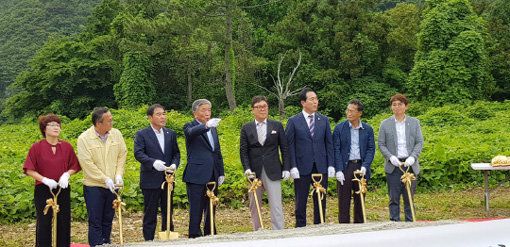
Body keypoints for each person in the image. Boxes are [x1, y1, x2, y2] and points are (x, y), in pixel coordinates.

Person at [24, 114, 81, 247]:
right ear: (44, 128)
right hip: (43, 188)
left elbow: (74, 166)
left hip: (62, 187)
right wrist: (44, 179)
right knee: (44, 221)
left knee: (64, 220)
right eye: (52, 125)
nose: (56, 127)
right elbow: (29, 169)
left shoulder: (67, 147)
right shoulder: (36, 147)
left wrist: (66, 175)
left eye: (58, 125)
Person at [77, 107, 127, 246]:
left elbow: (122, 154)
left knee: (108, 218)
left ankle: (106, 243)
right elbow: (87, 163)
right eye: (109, 120)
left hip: (112, 186)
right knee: (95, 220)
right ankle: (96, 244)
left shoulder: (116, 134)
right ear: (99, 123)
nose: (112, 122)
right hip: (94, 186)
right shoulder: (84, 139)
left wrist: (118, 174)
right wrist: (104, 178)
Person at [240, 96, 290, 230]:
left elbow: (284, 148)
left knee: (276, 203)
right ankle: (258, 230)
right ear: (253, 110)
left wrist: (286, 167)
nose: (262, 109)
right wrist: (247, 168)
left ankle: (279, 231)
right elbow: (243, 151)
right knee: (254, 204)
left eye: (265, 106)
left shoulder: (277, 125)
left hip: (273, 169)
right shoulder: (246, 127)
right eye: (259, 107)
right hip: (254, 172)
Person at [286, 88, 334, 227]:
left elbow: (329, 144)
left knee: (320, 198)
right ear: (303, 102)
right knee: (301, 199)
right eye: (311, 99)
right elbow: (289, 146)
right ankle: (300, 227)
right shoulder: (294, 121)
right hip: (301, 166)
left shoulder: (323, 120)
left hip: (321, 165)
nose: (315, 102)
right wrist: (292, 166)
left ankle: (319, 225)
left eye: (316, 99)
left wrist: (331, 164)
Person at [134, 104, 181, 241]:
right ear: (150, 117)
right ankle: (148, 240)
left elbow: (176, 153)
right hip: (150, 179)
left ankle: (167, 237)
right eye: (158, 114)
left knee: (168, 210)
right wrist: (153, 163)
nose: (162, 117)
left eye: (164, 114)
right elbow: (138, 153)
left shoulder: (170, 133)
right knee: (150, 212)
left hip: (168, 179)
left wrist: (174, 164)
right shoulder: (142, 134)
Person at [183, 99, 225, 238]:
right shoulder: (189, 126)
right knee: (196, 208)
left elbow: (216, 151)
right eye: (204, 110)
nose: (208, 113)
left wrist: (221, 172)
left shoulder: (213, 128)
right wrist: (206, 125)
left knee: (211, 207)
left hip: (213, 173)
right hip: (196, 175)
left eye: (209, 110)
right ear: (195, 113)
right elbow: (191, 133)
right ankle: (194, 235)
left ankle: (210, 232)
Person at [378, 94, 424, 222]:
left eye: (400, 104)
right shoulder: (385, 124)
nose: (397, 107)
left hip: (409, 165)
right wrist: (390, 157)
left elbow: (419, 142)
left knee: (409, 198)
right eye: (394, 105)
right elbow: (381, 144)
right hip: (394, 165)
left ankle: (410, 223)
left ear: (406, 107)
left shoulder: (414, 123)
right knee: (394, 198)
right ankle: (394, 223)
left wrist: (413, 157)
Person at [332, 99, 375, 223]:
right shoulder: (340, 128)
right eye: (348, 110)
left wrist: (366, 165)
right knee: (343, 200)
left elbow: (371, 149)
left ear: (359, 113)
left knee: (360, 198)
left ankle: (359, 226)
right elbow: (336, 149)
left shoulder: (367, 129)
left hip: (361, 166)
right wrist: (338, 169)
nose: (348, 113)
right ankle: (344, 227)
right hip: (346, 167)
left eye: (352, 111)